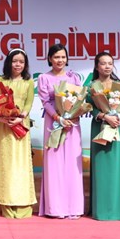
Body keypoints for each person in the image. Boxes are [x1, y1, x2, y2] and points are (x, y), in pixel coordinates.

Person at [36, 43, 85, 219]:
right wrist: (58, 118)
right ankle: (55, 208)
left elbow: (80, 98)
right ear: (50, 58)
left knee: (72, 165)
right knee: (54, 164)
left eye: (63, 57)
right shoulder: (44, 78)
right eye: (56, 57)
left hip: (72, 124)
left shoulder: (74, 78)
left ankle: (73, 207)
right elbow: (45, 102)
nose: (60, 60)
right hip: (53, 123)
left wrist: (73, 115)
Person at [85, 51, 120, 221]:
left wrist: (118, 117)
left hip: (117, 128)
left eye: (110, 63)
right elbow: (89, 108)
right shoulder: (91, 87)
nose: (107, 66)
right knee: (102, 169)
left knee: (119, 168)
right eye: (103, 63)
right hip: (100, 128)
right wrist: (105, 116)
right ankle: (102, 210)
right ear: (97, 66)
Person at [0, 49, 37, 219]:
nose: (18, 64)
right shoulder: (0, 81)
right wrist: (2, 117)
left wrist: (20, 118)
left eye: (21, 62)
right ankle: (7, 202)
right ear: (9, 62)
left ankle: (23, 202)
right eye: (15, 61)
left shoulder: (28, 81)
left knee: (21, 164)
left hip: (20, 125)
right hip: (4, 126)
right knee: (6, 164)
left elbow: (29, 103)